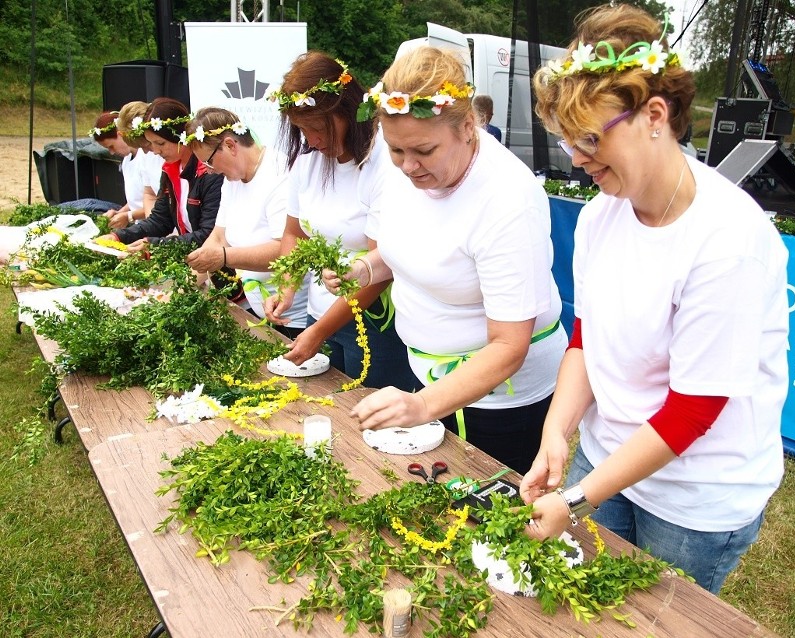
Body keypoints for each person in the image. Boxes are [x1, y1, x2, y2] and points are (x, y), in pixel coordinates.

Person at [519, 4, 789, 594]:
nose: (577, 158)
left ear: (655, 116)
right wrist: (556, 431)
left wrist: (577, 497)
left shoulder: (728, 242)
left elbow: (692, 411)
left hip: (693, 498)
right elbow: (588, 337)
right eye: (568, 141)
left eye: (589, 138)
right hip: (605, 456)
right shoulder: (599, 214)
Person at [324, 47, 568, 474]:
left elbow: (510, 345)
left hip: (501, 400)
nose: (407, 166)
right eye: (396, 151)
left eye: (423, 150)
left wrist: (421, 405)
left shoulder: (506, 199)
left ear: (468, 127)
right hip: (427, 374)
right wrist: (364, 268)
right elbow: (405, 251)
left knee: (483, 515)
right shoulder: (403, 167)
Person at [263, 52, 415, 389]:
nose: (312, 140)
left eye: (318, 128)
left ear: (346, 111)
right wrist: (287, 287)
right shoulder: (308, 162)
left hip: (373, 324)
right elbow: (294, 234)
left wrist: (320, 331)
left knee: (369, 417)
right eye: (303, 130)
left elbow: (382, 268)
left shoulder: (384, 165)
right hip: (320, 315)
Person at [183, 107, 308, 338]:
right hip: (260, 311)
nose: (210, 171)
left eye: (209, 162)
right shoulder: (232, 180)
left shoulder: (279, 176)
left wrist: (223, 257)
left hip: (294, 316)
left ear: (230, 145)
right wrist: (187, 284)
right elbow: (219, 237)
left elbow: (285, 249)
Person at [98, 98, 224, 252]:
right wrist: (119, 237)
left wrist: (154, 245)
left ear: (180, 136)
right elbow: (160, 220)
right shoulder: (170, 169)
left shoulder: (209, 172)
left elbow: (209, 234)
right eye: (151, 144)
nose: (156, 151)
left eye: (161, 143)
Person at [89, 104, 163, 230]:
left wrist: (128, 216)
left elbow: (156, 201)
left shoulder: (149, 155)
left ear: (120, 134)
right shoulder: (126, 161)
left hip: (156, 225)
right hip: (143, 226)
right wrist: (120, 213)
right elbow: (136, 200)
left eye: (111, 146)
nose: (112, 152)